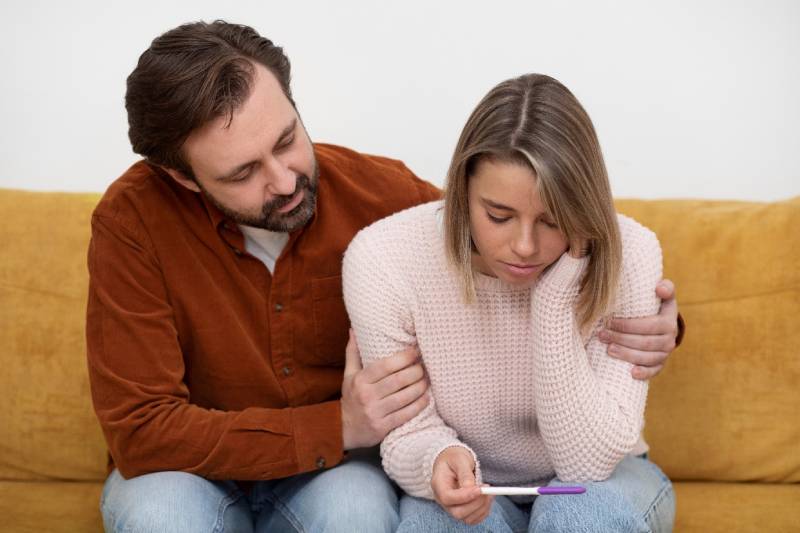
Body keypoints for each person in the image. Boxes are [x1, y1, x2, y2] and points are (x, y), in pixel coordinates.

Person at [86, 21, 682, 533]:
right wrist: (339, 425)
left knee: (357, 510)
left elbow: (507, 246)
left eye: (288, 140)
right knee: (163, 515)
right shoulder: (132, 222)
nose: (287, 180)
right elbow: (141, 429)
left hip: (332, 474)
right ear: (183, 177)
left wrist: (659, 325)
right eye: (244, 173)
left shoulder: (383, 197)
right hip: (192, 471)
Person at [342, 73, 676, 532]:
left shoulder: (632, 253)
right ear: (462, 191)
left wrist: (555, 301)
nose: (524, 246)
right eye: (498, 216)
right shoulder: (385, 258)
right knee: (439, 525)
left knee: (578, 514)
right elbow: (406, 431)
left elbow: (587, 466)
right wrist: (439, 457)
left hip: (606, 481)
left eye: (553, 220)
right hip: (471, 484)